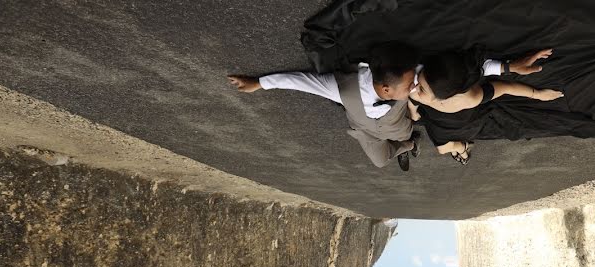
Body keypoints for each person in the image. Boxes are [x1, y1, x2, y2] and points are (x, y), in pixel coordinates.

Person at [229, 43, 553, 171]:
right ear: (385, 88)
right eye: (411, 85)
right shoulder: (341, 88)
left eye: (417, 81)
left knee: (401, 138)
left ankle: (410, 141)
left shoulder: (408, 76)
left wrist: (509, 66)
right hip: (365, 128)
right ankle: (409, 145)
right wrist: (259, 84)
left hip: (399, 122)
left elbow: (457, 75)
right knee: (380, 160)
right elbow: (301, 81)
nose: (416, 87)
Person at [408, 49, 563, 164]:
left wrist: (538, 94)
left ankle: (462, 148)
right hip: (436, 124)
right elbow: (413, 101)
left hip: (462, 122)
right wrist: (414, 113)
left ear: (447, 96)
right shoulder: (418, 89)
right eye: (418, 78)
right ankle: (462, 149)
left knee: (443, 149)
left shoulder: (471, 98)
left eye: (421, 88)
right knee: (443, 149)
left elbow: (505, 87)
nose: (413, 87)